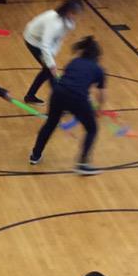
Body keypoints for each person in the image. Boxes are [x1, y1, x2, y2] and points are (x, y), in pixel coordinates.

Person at [29, 35, 106, 175]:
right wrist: (99, 109)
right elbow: (101, 94)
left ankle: (35, 154)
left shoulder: (74, 61)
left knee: (50, 123)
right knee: (92, 129)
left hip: (58, 93)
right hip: (77, 98)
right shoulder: (98, 69)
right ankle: (83, 164)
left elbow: (71, 79)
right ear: (97, 56)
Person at [22, 0, 83, 104]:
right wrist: (51, 64)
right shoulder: (54, 23)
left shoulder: (67, 22)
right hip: (33, 41)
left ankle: (30, 96)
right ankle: (59, 103)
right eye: (75, 13)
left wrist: (51, 58)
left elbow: (58, 39)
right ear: (68, 11)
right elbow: (45, 44)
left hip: (43, 43)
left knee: (47, 71)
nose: (77, 17)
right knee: (50, 73)